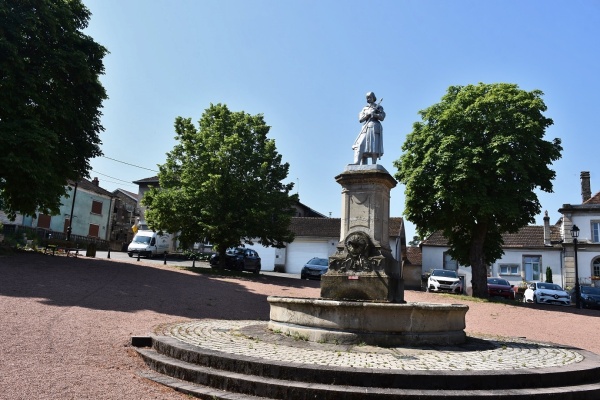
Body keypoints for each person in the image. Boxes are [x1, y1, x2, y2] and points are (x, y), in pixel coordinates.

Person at [352, 92, 385, 164]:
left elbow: (382, 117)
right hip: (365, 127)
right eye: (367, 98)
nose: (369, 99)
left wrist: (375, 114)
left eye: (370, 97)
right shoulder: (365, 108)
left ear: (373, 97)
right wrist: (368, 115)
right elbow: (360, 119)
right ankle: (357, 162)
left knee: (374, 145)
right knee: (360, 144)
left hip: (375, 126)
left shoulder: (379, 107)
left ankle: (374, 163)